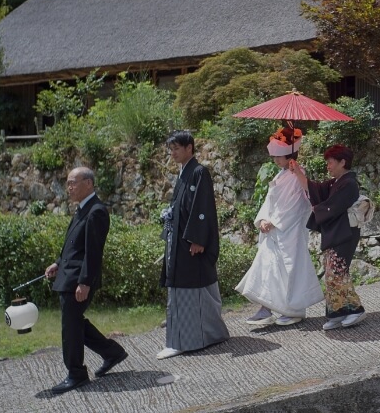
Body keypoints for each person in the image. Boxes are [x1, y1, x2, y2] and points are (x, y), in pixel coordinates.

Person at [44, 167, 127, 395]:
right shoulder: (82, 209)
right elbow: (73, 244)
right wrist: (58, 263)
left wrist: (85, 282)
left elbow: (93, 252)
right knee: (75, 322)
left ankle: (76, 374)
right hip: (69, 275)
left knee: (70, 327)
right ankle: (112, 352)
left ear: (88, 184)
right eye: (68, 183)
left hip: (79, 280)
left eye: (73, 182)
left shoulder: (96, 211)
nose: (69, 187)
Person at [235, 127, 324, 327]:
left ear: (290, 154)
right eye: (274, 156)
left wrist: (273, 221)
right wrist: (264, 219)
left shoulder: (296, 174)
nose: (275, 160)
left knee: (288, 269)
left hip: (289, 230)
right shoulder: (282, 174)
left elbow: (294, 206)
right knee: (267, 267)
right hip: (275, 229)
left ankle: (293, 310)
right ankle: (265, 308)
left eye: (279, 156)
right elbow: (271, 201)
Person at [157, 130, 230, 359]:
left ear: (189, 148)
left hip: (191, 244)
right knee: (188, 288)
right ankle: (211, 334)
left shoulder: (199, 172)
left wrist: (198, 238)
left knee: (190, 288)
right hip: (178, 241)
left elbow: (203, 208)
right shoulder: (183, 172)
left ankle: (184, 341)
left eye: (177, 148)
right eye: (171, 149)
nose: (173, 153)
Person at [289, 144, 367, 330]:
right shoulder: (336, 182)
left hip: (345, 233)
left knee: (337, 273)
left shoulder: (349, 183)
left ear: (342, 162)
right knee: (331, 273)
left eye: (330, 162)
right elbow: (314, 189)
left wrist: (317, 209)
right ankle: (337, 313)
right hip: (337, 232)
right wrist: (297, 172)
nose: (328, 166)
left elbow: (333, 206)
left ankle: (355, 310)